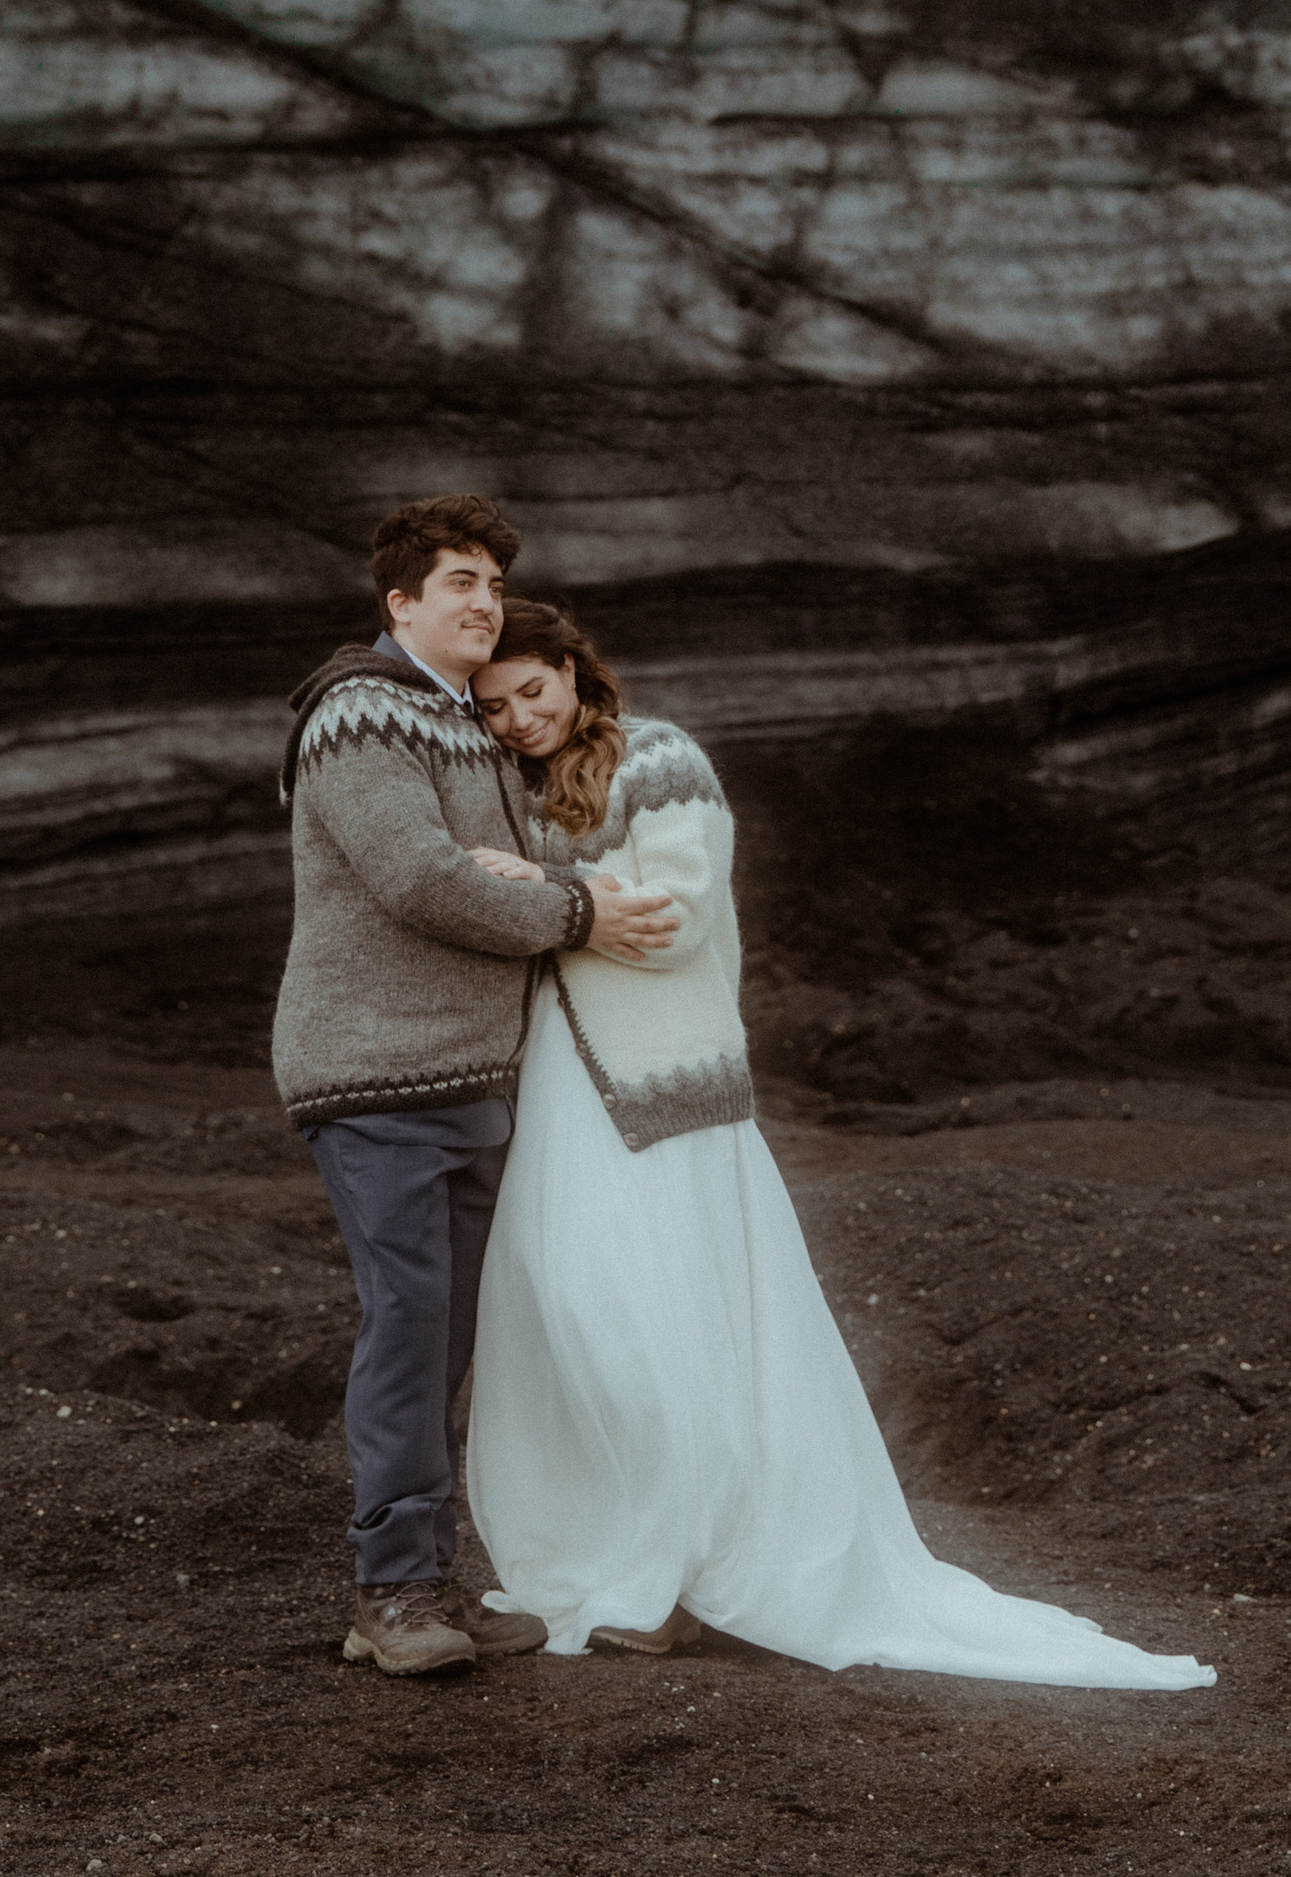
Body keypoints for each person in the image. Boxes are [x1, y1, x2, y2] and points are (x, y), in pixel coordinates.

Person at [461, 598, 1215, 1693]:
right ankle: (630, 1553)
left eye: (533, 691)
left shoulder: (658, 758)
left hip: (667, 1090)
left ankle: (678, 1579)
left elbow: (674, 920)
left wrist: (548, 892)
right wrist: (565, 899)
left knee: (663, 1326)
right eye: (493, 707)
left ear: (575, 672)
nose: (520, 718)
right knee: (569, 1312)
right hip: (561, 1089)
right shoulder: (510, 784)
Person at [272, 497, 678, 1679]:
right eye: (460, 582)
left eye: (495, 585)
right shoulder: (360, 712)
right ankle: (392, 1593)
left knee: (456, 1339)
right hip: (375, 1074)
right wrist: (579, 913)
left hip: (475, 1081)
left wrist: (561, 886)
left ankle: (431, 1577)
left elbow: (511, 866)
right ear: (399, 601)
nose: (485, 604)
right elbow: (419, 879)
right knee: (410, 1325)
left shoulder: (466, 722)